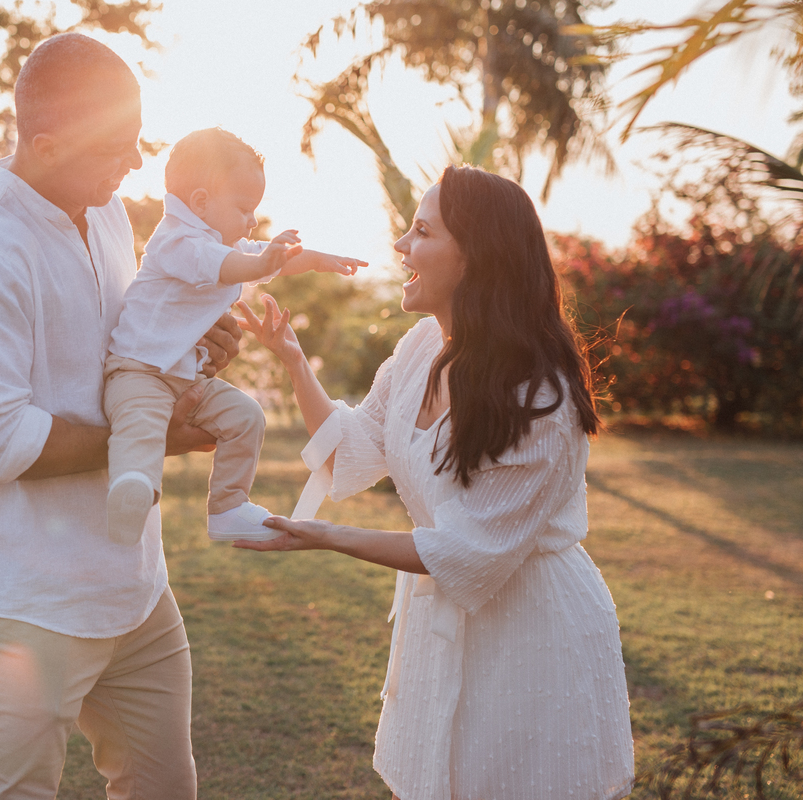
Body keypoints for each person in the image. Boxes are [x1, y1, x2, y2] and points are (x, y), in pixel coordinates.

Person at [236, 165, 635, 800]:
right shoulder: (423, 346)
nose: (400, 247)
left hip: (530, 633)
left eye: (420, 231)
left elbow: (467, 552)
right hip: (439, 615)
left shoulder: (540, 395)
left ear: (477, 257)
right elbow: (355, 451)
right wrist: (292, 360)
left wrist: (325, 536)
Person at [0, 33, 236, 799]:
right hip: (24, 605)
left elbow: (119, 352)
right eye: (115, 150)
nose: (133, 166)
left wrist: (187, 339)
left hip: (134, 589)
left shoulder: (108, 216)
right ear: (45, 142)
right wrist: (151, 438)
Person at [105, 127, 366, 545]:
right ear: (201, 203)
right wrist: (264, 262)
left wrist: (316, 259)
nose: (253, 219)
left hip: (187, 378)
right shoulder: (176, 240)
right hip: (139, 371)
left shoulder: (219, 243)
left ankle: (227, 508)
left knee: (246, 417)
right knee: (140, 430)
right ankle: (131, 495)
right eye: (245, 207)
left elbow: (259, 259)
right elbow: (232, 266)